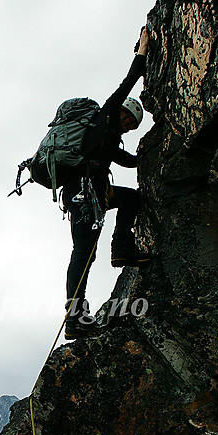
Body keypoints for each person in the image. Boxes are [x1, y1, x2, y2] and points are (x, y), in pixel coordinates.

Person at [62, 25, 152, 340]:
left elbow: (127, 161)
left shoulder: (107, 138)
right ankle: (75, 319)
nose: (129, 126)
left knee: (130, 199)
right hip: (85, 194)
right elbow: (129, 81)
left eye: (133, 126)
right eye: (129, 120)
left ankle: (122, 248)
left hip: (93, 191)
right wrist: (142, 51)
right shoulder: (106, 116)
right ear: (122, 112)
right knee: (84, 252)